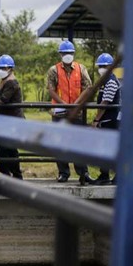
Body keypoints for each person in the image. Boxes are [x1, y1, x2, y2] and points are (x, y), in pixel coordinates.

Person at [46, 40, 94, 185]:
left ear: (73, 54)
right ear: (60, 54)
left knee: (79, 143)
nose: (68, 55)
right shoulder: (53, 70)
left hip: (77, 112)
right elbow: (51, 89)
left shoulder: (81, 68)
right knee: (59, 143)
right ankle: (63, 173)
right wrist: (64, 104)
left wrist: (76, 103)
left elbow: (88, 86)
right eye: (65, 53)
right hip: (60, 112)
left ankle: (83, 173)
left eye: (70, 53)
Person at [91, 53, 121, 185]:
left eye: (105, 66)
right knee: (104, 149)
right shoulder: (105, 81)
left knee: (109, 149)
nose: (102, 68)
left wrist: (96, 120)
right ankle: (105, 175)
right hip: (106, 121)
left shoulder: (111, 82)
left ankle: (112, 176)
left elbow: (105, 103)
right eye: (100, 66)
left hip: (111, 121)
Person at [0, 55, 24, 179]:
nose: (0, 70)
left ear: (10, 69)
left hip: (12, 121)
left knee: (10, 149)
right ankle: (5, 174)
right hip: (4, 120)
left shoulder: (11, 82)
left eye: (3, 68)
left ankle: (16, 175)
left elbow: (3, 100)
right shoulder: (3, 82)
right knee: (2, 148)